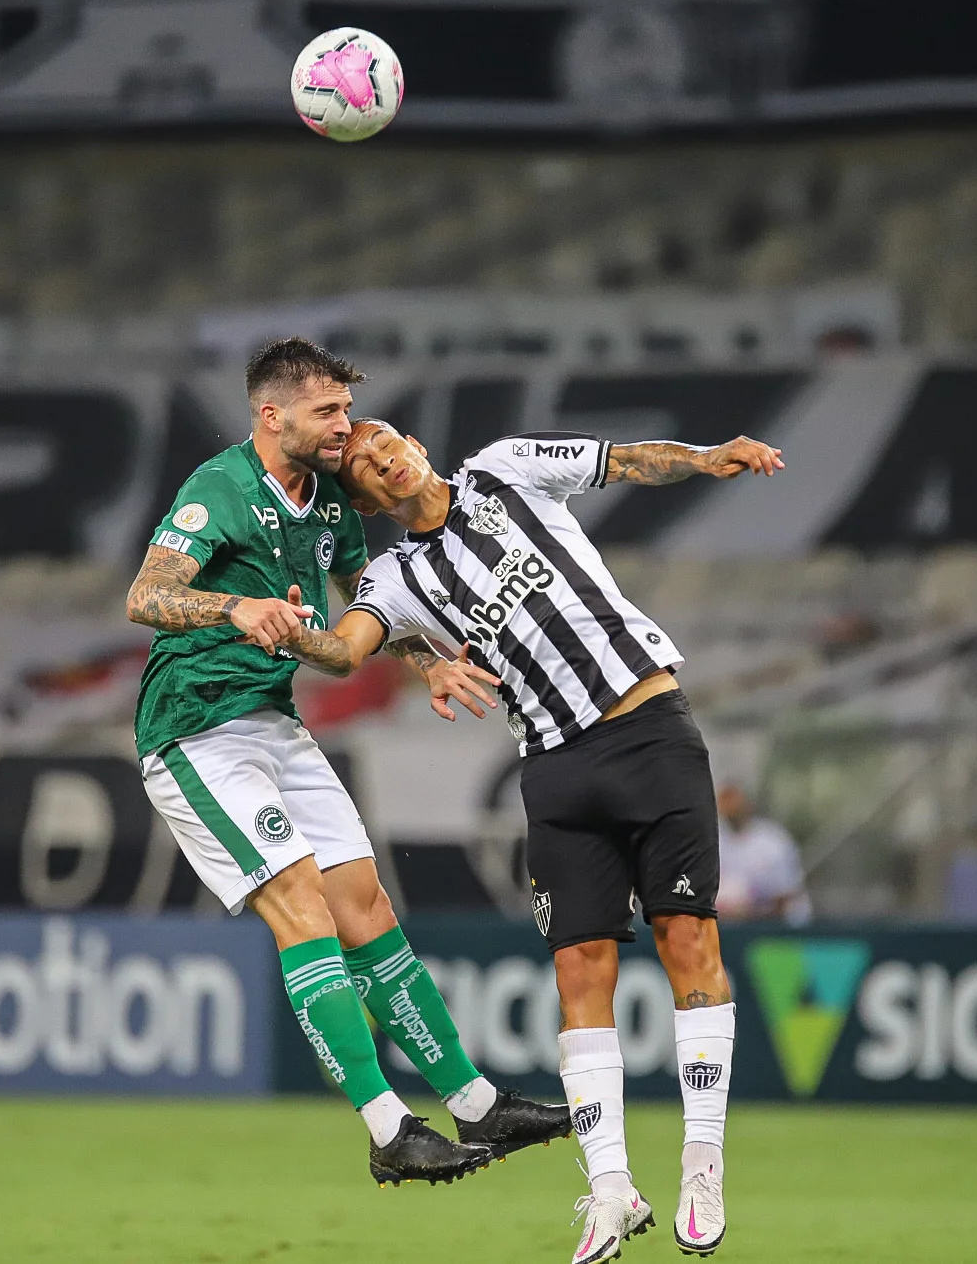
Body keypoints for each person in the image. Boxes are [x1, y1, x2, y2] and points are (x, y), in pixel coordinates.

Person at [291, 417, 784, 1263]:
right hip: (555, 768)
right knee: (577, 969)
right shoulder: (395, 575)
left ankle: (701, 1164)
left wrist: (705, 458)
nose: (382, 458)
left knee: (687, 939)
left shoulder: (507, 467)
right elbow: (345, 649)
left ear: (412, 442)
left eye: (385, 442)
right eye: (367, 466)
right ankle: (609, 1190)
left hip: (649, 728)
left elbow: (625, 460)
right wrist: (278, 624)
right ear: (368, 498)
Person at [122, 336, 569, 1187]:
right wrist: (232, 606)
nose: (344, 425)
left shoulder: (329, 503)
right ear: (271, 414)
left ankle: (474, 1103)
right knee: (303, 906)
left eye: (345, 408)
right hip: (193, 731)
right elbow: (144, 594)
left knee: (363, 904)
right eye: (326, 411)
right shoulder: (217, 489)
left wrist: (426, 661)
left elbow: (371, 605)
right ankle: (386, 1125)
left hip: (274, 725)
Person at [714, 784, 811, 923]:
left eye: (735, 804)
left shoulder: (772, 840)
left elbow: (786, 895)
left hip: (781, 926)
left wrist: (749, 912)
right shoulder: (716, 840)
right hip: (733, 924)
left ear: (747, 805)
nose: (731, 810)